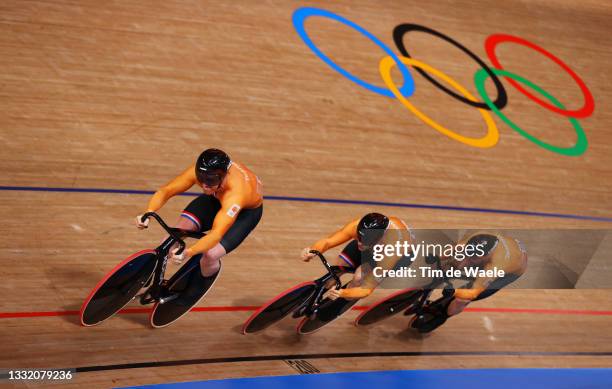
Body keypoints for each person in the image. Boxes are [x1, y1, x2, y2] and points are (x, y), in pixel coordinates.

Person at [135, 148, 263, 288]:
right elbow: (166, 190)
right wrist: (148, 212)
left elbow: (216, 234)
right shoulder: (204, 174)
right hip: (216, 198)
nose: (204, 185)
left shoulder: (237, 193)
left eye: (210, 180)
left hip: (245, 213)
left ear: (224, 176)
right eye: (201, 179)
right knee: (171, 237)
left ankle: (196, 288)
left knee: (210, 255)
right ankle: (148, 276)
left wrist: (188, 252)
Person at [411, 231, 527, 333]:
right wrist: (438, 257)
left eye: (473, 258)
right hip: (504, 250)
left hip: (513, 269)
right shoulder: (477, 237)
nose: (468, 260)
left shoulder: (496, 266)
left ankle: (443, 316)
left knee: (462, 299)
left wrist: (455, 292)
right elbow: (456, 248)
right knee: (456, 263)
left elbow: (474, 291)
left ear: (485, 256)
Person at [301, 212, 414, 300]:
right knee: (337, 267)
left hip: (398, 258)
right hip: (373, 247)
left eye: (364, 241)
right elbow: (328, 241)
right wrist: (312, 251)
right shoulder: (356, 226)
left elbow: (367, 290)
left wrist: (343, 293)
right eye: (358, 238)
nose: (359, 243)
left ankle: (336, 306)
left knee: (359, 278)